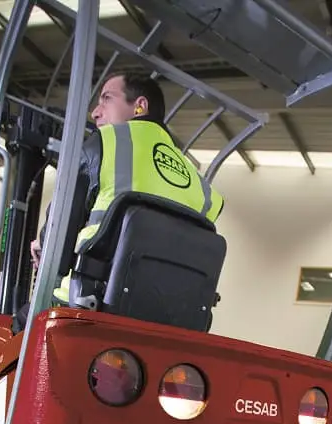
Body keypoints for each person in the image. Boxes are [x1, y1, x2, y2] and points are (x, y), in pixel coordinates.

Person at [19, 71, 224, 327]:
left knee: (15, 326)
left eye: (106, 98)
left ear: (140, 106)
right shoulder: (203, 188)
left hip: (89, 305)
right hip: (172, 320)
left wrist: (42, 244)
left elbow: (58, 239)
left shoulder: (104, 144)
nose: (95, 112)